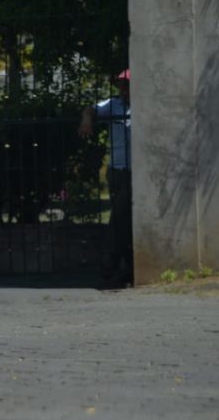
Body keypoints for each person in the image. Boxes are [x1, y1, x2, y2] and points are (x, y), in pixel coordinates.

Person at [78, 69, 132, 286]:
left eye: (127, 85)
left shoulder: (146, 105)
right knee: (123, 219)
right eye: (121, 84)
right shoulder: (113, 105)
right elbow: (90, 109)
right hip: (116, 169)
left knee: (119, 216)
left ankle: (111, 262)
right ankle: (125, 267)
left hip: (135, 170)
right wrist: (86, 119)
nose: (123, 89)